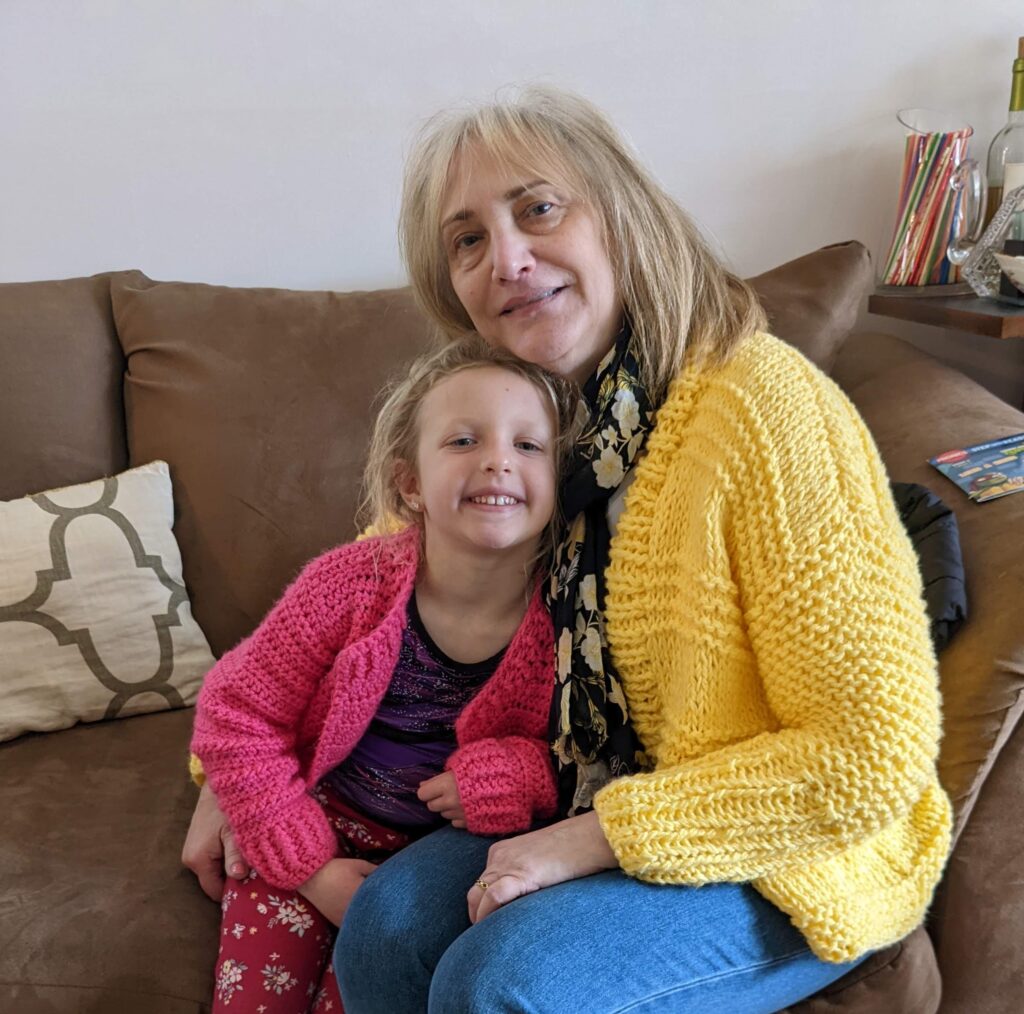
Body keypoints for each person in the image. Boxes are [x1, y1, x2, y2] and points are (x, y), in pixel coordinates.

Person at [185, 86, 953, 1013]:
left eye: (539, 208)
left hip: (787, 848)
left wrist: (590, 839)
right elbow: (374, 583)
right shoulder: (531, 424)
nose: (507, 259)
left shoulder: (766, 408)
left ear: (622, 216)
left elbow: (870, 756)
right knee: (385, 924)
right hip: (592, 798)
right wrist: (227, 781)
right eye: (467, 240)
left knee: (502, 980)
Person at [188, 337, 577, 1013]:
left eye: (528, 445)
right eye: (463, 441)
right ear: (410, 483)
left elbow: (586, 763)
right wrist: (311, 868)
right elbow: (237, 712)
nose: (497, 460)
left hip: (429, 873)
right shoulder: (347, 585)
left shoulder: (575, 617)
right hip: (305, 825)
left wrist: (515, 777)